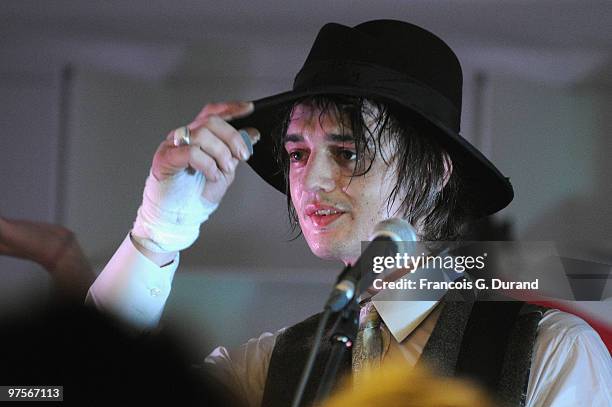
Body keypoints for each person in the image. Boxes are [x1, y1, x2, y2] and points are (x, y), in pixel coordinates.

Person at [87, 20, 612, 406]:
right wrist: (157, 234)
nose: (310, 181)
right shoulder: (271, 366)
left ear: (434, 174)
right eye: (297, 154)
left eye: (348, 152)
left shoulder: (551, 351)